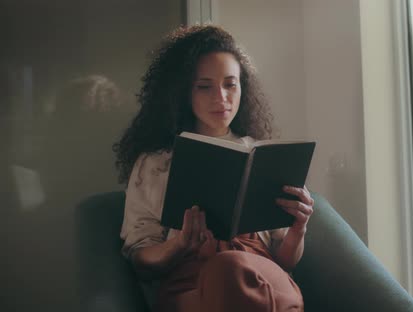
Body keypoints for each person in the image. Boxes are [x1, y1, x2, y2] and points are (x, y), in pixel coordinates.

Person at [112, 25, 313, 312]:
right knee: (229, 272)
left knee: (240, 272)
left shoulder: (261, 154)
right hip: (193, 287)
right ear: (182, 92)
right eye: (204, 86)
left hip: (262, 276)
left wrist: (298, 229)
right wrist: (179, 244)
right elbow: (140, 261)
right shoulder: (156, 163)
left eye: (230, 84)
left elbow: (285, 261)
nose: (221, 97)